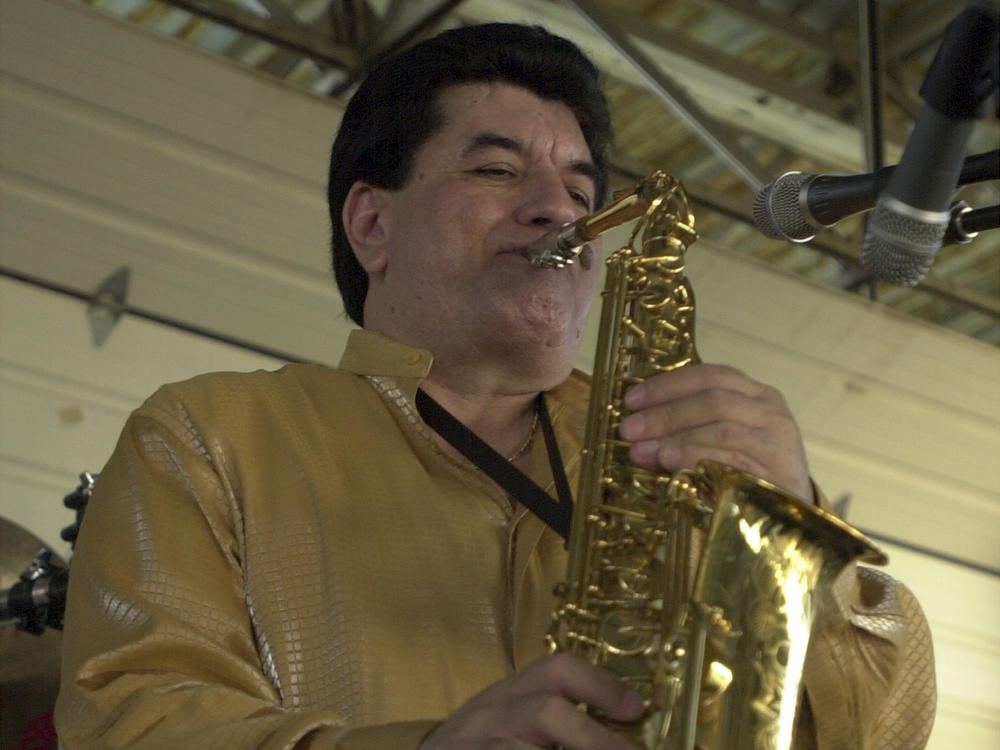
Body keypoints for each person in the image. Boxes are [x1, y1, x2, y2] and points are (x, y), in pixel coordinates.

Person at [55, 23, 935, 750]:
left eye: (580, 186)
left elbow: (884, 733)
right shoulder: (209, 434)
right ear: (371, 223)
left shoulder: (687, 463)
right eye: (497, 170)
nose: (561, 210)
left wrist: (797, 536)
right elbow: (130, 721)